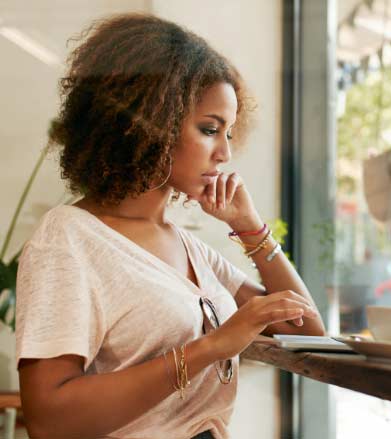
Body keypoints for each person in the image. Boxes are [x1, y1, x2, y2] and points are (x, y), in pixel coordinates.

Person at [15, 13, 324, 439]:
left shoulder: (190, 249)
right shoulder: (68, 238)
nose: (224, 154)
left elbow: (305, 330)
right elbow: (49, 421)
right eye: (210, 129)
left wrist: (252, 229)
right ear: (149, 123)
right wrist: (211, 346)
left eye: (229, 133)